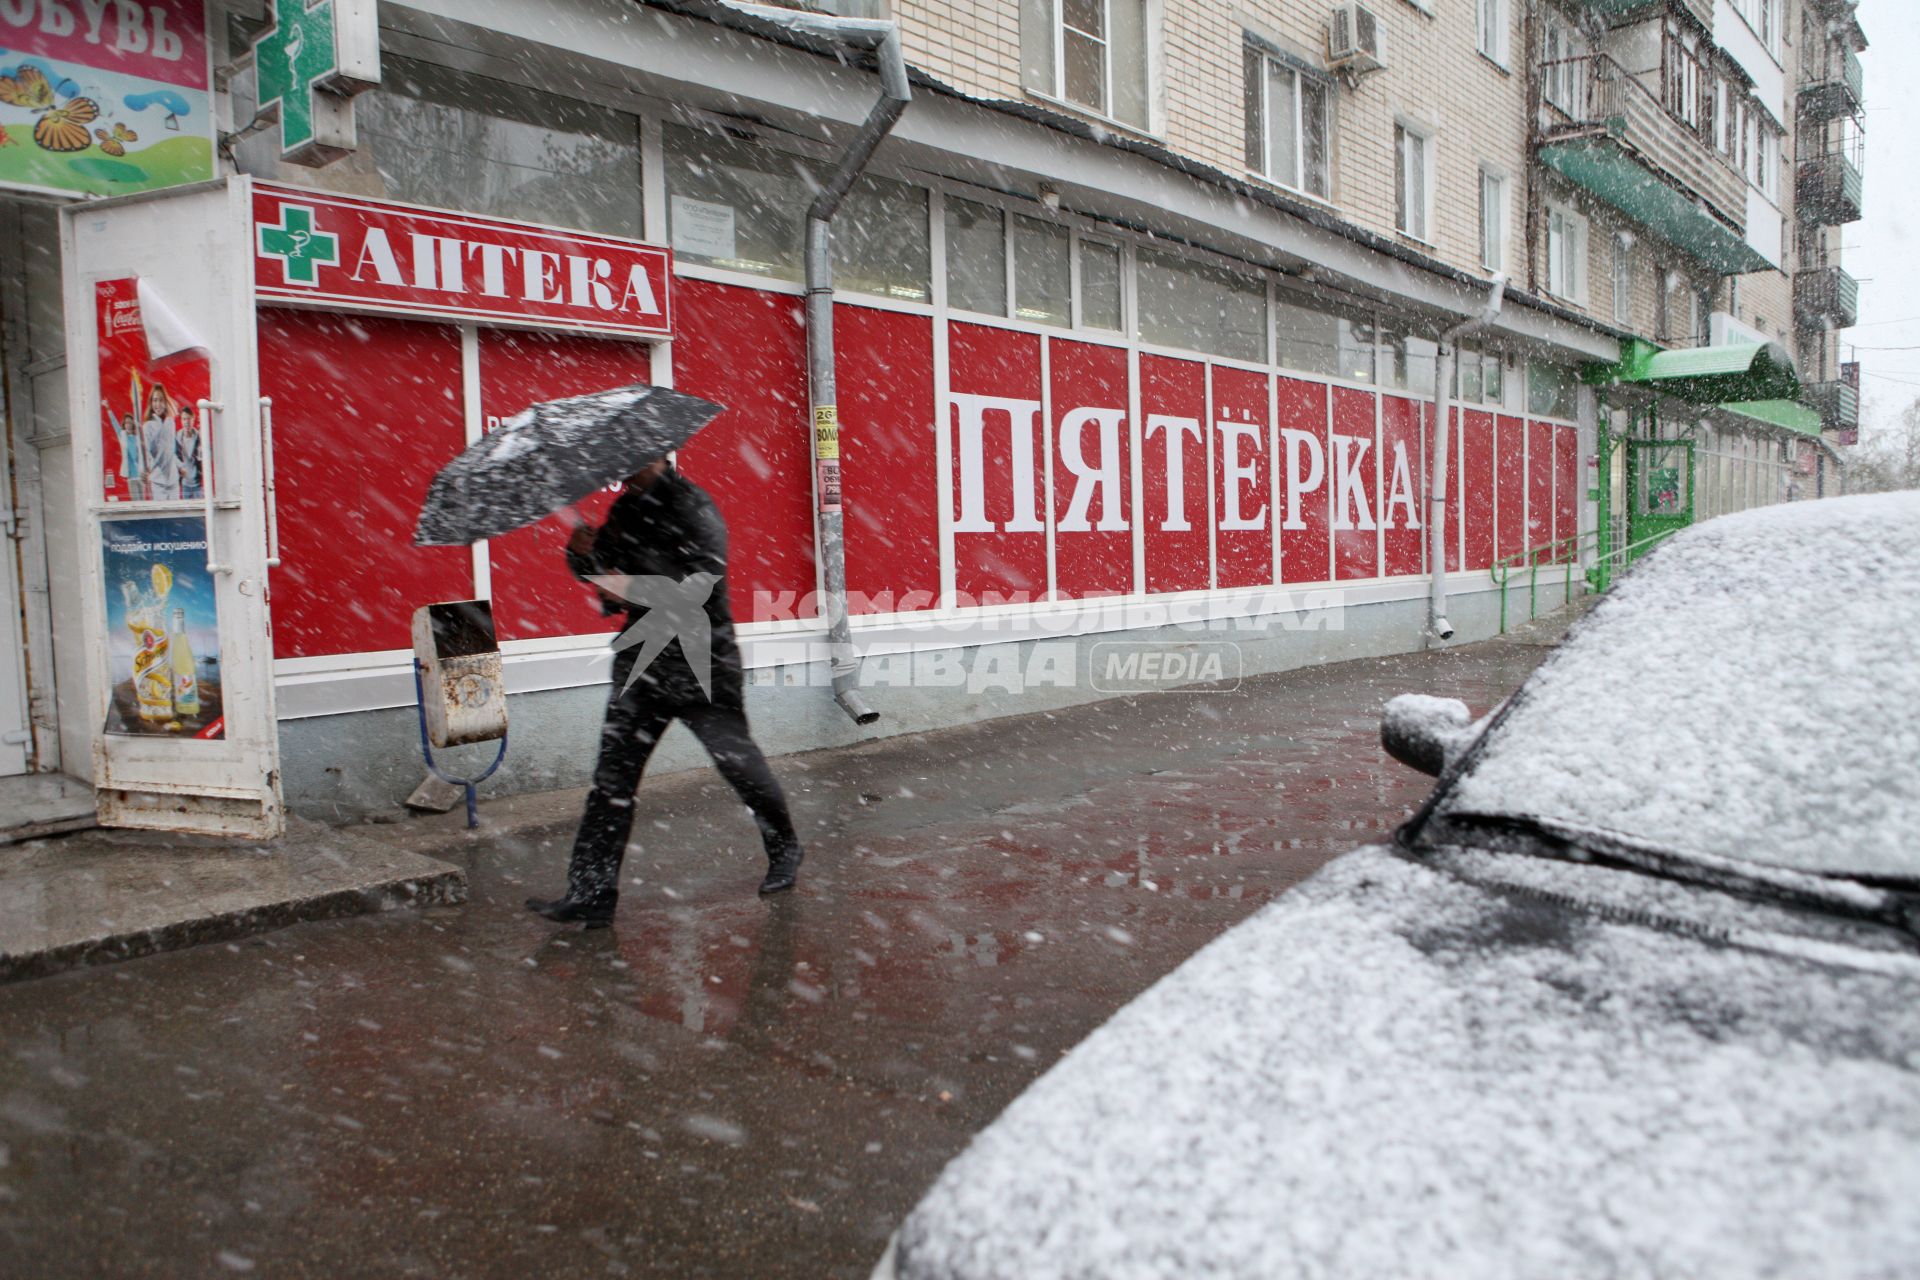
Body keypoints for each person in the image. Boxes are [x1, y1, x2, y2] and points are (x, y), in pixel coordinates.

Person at [526, 458, 804, 929]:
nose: (623, 469)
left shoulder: (695, 507)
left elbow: (697, 589)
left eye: (634, 460)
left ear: (659, 455)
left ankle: (784, 845)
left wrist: (625, 586)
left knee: (738, 764)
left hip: (703, 661)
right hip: (642, 661)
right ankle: (591, 894)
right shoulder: (625, 510)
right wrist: (582, 554)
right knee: (612, 781)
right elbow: (603, 575)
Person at [143, 386, 181, 502]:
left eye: (160, 400)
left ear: (165, 402)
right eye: (155, 400)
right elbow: (147, 454)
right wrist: (145, 471)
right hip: (158, 481)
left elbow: (171, 452)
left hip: (173, 481)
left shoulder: (170, 423)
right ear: (151, 403)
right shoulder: (147, 427)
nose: (157, 404)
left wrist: (180, 467)